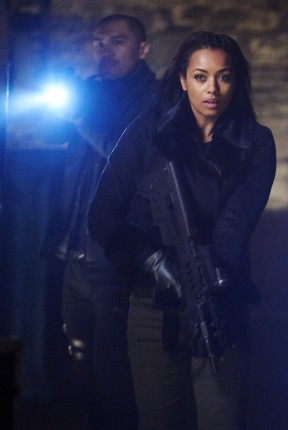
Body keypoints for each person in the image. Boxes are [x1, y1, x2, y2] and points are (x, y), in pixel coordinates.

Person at [87, 31, 276, 429]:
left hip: (218, 302)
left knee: (222, 418)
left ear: (237, 81)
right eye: (201, 76)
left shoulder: (255, 142)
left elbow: (237, 224)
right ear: (183, 80)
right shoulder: (149, 131)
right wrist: (152, 261)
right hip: (153, 304)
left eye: (224, 77)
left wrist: (208, 278)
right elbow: (104, 212)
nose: (212, 89)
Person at [40, 14, 157, 429]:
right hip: (72, 250)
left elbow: (129, 161)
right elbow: (55, 139)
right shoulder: (89, 92)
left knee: (114, 374)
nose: (104, 50)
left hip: (113, 257)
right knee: (76, 369)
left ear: (143, 49)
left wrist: (79, 117)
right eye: (98, 42)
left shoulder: (155, 98)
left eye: (116, 42)